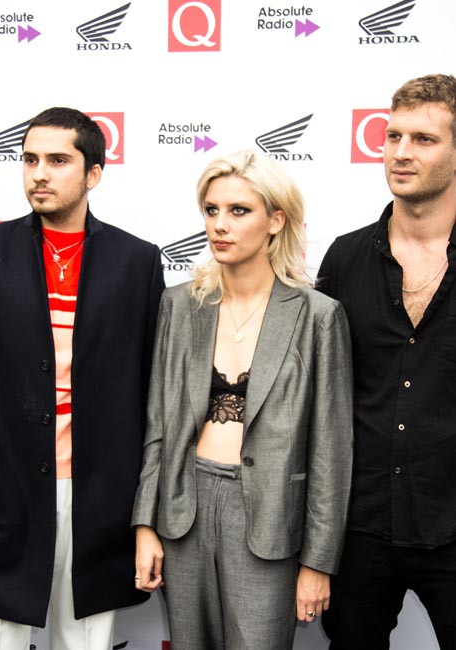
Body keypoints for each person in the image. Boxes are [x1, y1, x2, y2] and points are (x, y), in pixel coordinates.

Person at [0, 107, 164, 650]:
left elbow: (154, 386)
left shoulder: (136, 261)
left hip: (99, 497)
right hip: (8, 488)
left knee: (85, 642)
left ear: (93, 173)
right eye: (30, 159)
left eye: (57, 161)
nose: (39, 174)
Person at [132, 150, 353, 650]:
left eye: (239, 210)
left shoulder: (318, 317)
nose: (220, 225)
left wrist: (318, 563)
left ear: (276, 220)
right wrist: (145, 524)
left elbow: (331, 453)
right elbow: (159, 424)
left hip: (269, 520)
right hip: (183, 510)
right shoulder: (179, 304)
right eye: (212, 210)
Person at [318, 74, 456, 649]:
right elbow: (319, 394)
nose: (401, 152)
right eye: (393, 135)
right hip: (360, 527)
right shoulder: (345, 259)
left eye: (423, 139)